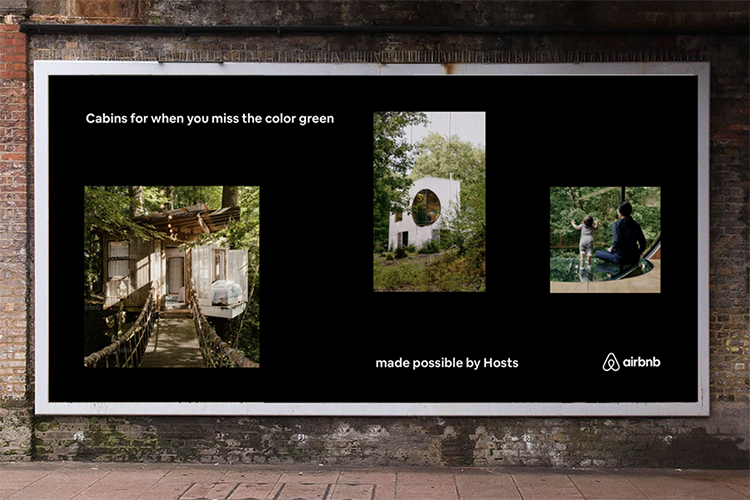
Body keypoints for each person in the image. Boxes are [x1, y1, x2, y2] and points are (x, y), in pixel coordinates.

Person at [595, 201, 647, 266]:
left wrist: (612, 250)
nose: (617, 210)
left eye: (617, 209)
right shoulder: (636, 225)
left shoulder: (616, 224)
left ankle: (612, 272)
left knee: (598, 253)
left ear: (620, 211)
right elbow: (643, 242)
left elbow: (617, 241)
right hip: (634, 258)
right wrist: (638, 252)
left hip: (621, 259)